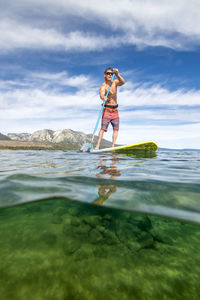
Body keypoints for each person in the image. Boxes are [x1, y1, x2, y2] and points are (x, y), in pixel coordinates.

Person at [95, 67, 125, 150]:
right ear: (105, 75)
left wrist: (117, 74)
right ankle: (97, 146)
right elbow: (101, 94)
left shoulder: (114, 82)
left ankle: (113, 146)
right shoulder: (103, 86)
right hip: (107, 110)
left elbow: (122, 82)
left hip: (115, 110)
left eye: (111, 73)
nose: (110, 75)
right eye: (108, 73)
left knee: (116, 129)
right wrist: (103, 97)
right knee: (103, 129)